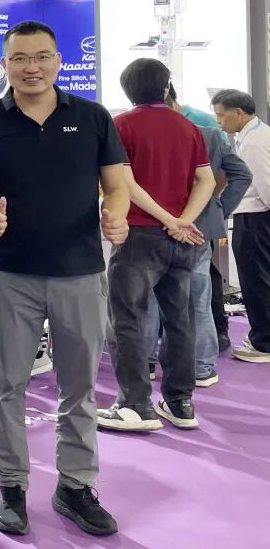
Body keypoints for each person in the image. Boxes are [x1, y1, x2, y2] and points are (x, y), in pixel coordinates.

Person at [0, 20, 130, 539]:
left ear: (58, 61)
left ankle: (75, 486)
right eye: (19, 58)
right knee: (6, 385)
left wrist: (117, 217)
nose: (30, 67)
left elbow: (116, 185)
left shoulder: (93, 117)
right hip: (11, 273)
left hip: (80, 271)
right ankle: (11, 485)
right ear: (4, 64)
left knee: (79, 386)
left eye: (41, 57)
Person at [98, 59, 214, 434]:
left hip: (139, 236)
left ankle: (134, 405)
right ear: (166, 87)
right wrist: (183, 220)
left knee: (127, 320)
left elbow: (125, 183)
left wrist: (169, 219)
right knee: (180, 320)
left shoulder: (122, 124)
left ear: (127, 88)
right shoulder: (188, 127)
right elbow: (207, 181)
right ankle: (180, 402)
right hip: (181, 240)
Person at [141, 100, 251, 387]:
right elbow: (242, 175)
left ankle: (146, 363)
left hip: (153, 223)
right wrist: (217, 209)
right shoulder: (209, 135)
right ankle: (201, 367)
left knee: (149, 296)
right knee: (198, 298)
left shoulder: (139, 132)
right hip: (197, 226)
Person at [212, 89, 270, 363]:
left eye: (221, 115)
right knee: (259, 278)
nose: (219, 122)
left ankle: (264, 342)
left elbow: (265, 185)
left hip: (256, 218)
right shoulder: (254, 135)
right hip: (256, 217)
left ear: (238, 113)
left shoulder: (253, 143)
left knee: (255, 280)